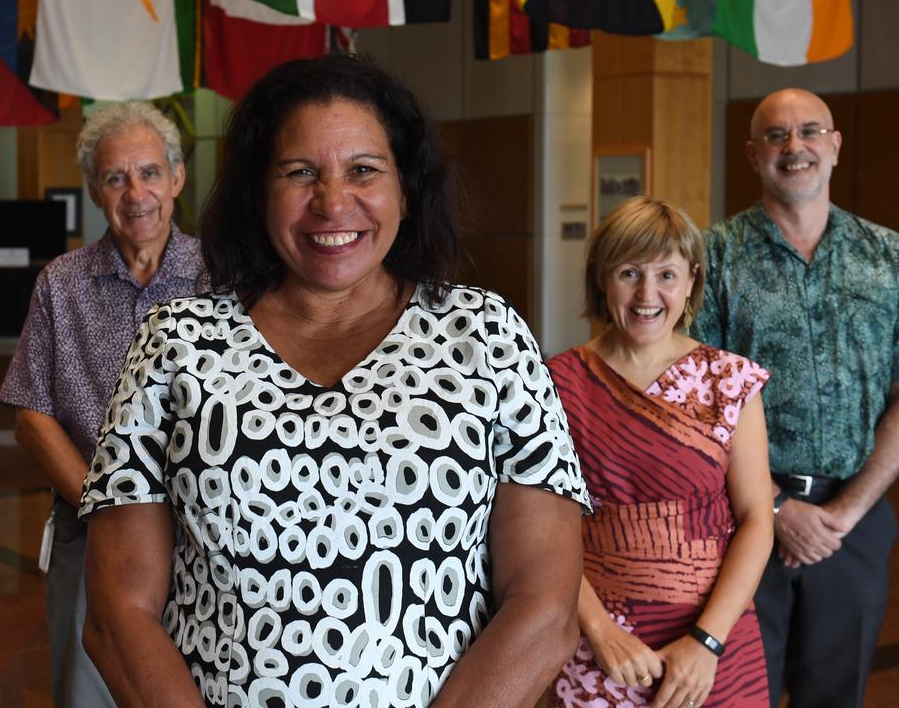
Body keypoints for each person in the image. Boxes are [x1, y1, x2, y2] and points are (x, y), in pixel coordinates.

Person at [78, 53, 592, 708]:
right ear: (259, 192)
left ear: (406, 189)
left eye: (363, 171)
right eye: (299, 173)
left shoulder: (488, 339)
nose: (331, 201)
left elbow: (545, 609)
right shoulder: (176, 344)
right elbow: (117, 614)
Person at [692, 88, 899, 708]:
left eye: (810, 131)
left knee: (836, 697)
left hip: (853, 523)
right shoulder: (712, 257)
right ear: (754, 155)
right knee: (737, 695)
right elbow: (699, 402)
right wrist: (778, 509)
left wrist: (850, 511)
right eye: (777, 137)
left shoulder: (889, 259)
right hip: (740, 521)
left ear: (834, 147)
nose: (795, 147)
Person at [0, 101, 204, 708]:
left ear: (177, 178)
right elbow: (32, 414)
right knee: (88, 690)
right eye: (116, 177)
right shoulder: (61, 282)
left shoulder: (227, 279)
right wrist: (105, 506)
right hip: (90, 530)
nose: (135, 192)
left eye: (149, 173)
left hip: (206, 533)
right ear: (94, 190)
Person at [547, 197, 774, 708]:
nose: (648, 294)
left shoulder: (731, 381)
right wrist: (600, 631)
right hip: (600, 643)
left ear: (692, 280)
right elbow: (542, 531)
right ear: (601, 279)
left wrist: (706, 642)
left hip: (714, 640)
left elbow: (757, 518)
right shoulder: (553, 384)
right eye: (629, 272)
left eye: (666, 274)